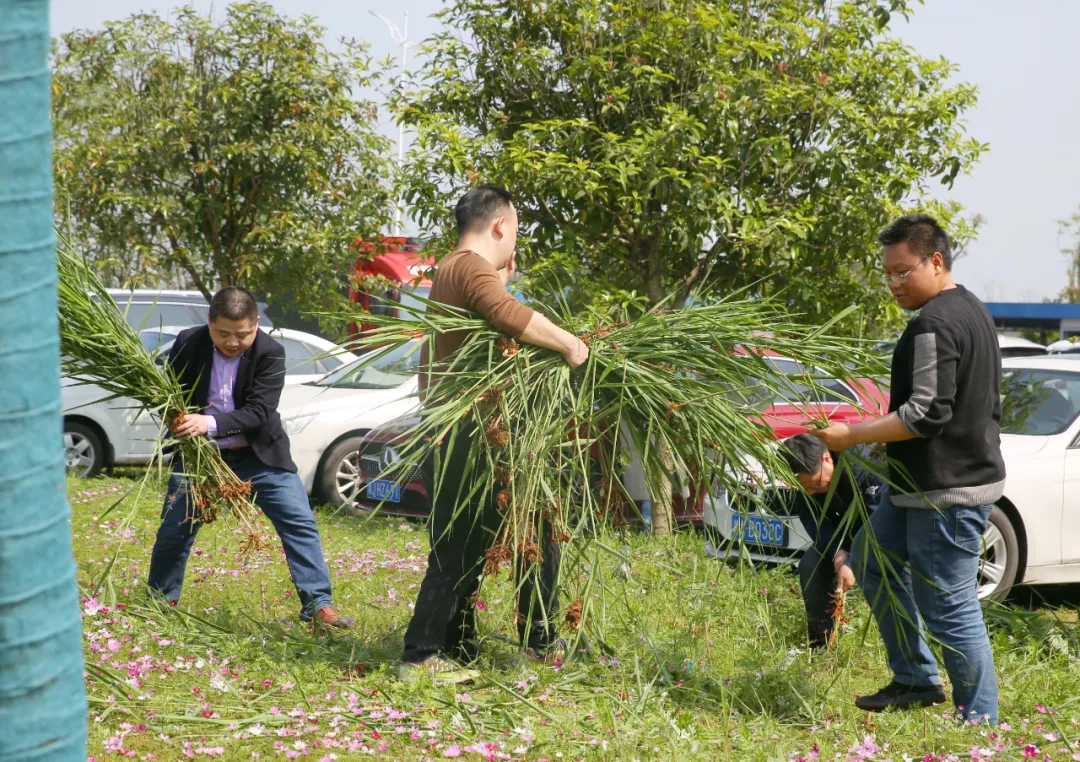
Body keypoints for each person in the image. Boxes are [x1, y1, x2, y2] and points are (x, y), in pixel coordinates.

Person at [810, 214, 1004, 724]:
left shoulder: (935, 322)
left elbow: (925, 414)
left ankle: (980, 724)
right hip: (917, 485)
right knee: (871, 566)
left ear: (935, 261)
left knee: (949, 606)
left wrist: (853, 434)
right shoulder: (971, 309)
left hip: (945, 490)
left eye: (903, 272)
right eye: (887, 274)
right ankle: (916, 680)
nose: (894, 284)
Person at [399, 185, 589, 683]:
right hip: (468, 433)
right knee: (461, 543)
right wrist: (571, 345)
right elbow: (507, 315)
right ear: (502, 224)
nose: (514, 243)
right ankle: (421, 655)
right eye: (517, 231)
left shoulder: (450, 268)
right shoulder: (468, 266)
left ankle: (472, 643)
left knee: (521, 531)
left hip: (475, 428)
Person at [147, 286, 350, 629]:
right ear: (209, 322)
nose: (232, 341)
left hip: (259, 455)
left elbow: (259, 411)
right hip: (201, 459)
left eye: (242, 334)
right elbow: (169, 389)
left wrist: (207, 423)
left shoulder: (271, 352)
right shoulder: (187, 343)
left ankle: (319, 606)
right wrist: (167, 406)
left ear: (256, 324)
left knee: (299, 523)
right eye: (223, 332)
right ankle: (159, 603)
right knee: (174, 530)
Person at [779, 434, 883, 650]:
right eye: (806, 489)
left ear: (827, 459)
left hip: (884, 531)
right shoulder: (804, 480)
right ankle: (820, 643)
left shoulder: (864, 467)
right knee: (811, 563)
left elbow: (879, 520)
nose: (812, 492)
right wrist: (837, 552)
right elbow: (811, 516)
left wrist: (853, 559)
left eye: (816, 484)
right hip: (842, 532)